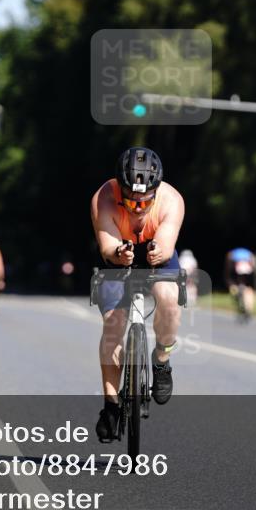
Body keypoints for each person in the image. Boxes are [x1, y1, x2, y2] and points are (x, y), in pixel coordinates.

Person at [90, 147, 185, 442]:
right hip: (117, 254)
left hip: (157, 251)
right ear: (120, 187)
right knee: (113, 324)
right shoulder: (103, 197)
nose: (138, 207)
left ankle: (161, 359)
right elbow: (106, 246)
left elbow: (167, 246)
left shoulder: (172, 200)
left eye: (145, 200)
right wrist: (119, 252)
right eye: (131, 199)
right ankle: (111, 405)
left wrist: (158, 251)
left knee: (169, 298)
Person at [224, 248, 256, 318]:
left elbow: (229, 273)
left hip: (240, 274)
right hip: (243, 274)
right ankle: (248, 308)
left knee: (239, 288)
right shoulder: (247, 254)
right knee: (246, 290)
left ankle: (246, 307)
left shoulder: (232, 255)